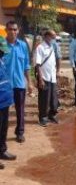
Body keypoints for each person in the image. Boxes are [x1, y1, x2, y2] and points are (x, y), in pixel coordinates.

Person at [3, 21, 32, 143]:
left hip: (19, 83)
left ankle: (19, 133)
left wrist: (29, 82)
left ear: (18, 30)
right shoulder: (1, 45)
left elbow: (26, 65)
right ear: (6, 30)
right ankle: (2, 135)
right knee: (3, 111)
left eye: (15, 29)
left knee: (20, 109)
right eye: (10, 29)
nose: (12, 32)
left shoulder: (23, 46)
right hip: (4, 85)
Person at [35, 30, 58, 127]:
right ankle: (42, 118)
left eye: (54, 37)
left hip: (52, 77)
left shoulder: (52, 47)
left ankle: (51, 115)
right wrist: (40, 79)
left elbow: (53, 63)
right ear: (47, 36)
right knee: (44, 99)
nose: (54, 39)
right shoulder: (40, 48)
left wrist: (56, 74)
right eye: (52, 36)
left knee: (53, 99)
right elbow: (38, 65)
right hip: (44, 77)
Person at [0, 36, 16, 170]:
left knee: (3, 128)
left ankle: (2, 150)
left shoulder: (2, 61)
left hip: (5, 101)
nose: (3, 53)